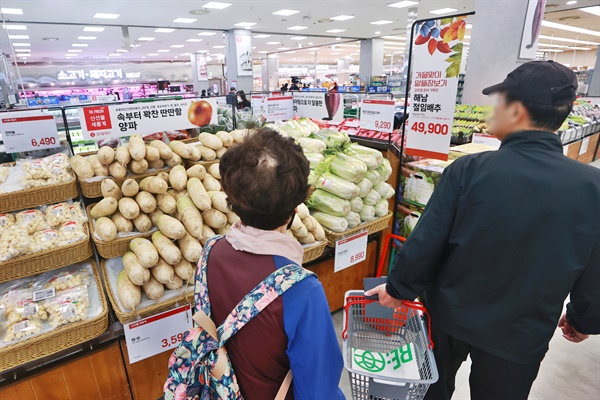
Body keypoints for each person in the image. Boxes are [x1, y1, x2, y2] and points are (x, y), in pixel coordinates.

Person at [366, 60, 600, 400]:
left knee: (430, 387)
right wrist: (583, 319)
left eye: (499, 102)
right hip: (521, 330)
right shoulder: (592, 187)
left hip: (449, 315)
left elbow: (428, 240)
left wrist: (399, 288)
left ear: (516, 111)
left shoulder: (470, 170)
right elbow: (595, 265)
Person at [207, 128, 345, 400]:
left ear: (231, 198)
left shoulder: (211, 252)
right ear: (296, 206)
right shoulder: (302, 291)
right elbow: (320, 389)